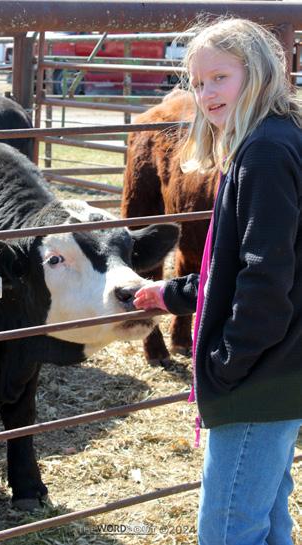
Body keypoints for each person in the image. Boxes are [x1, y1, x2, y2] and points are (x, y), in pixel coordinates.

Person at [133, 17, 302, 545]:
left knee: (228, 529)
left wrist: (228, 364)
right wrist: (171, 293)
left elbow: (264, 277)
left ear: (258, 73)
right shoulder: (276, 139)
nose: (206, 94)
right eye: (198, 82)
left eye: (220, 78)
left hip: (258, 378)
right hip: (281, 367)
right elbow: (245, 265)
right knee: (266, 518)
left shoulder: (264, 153)